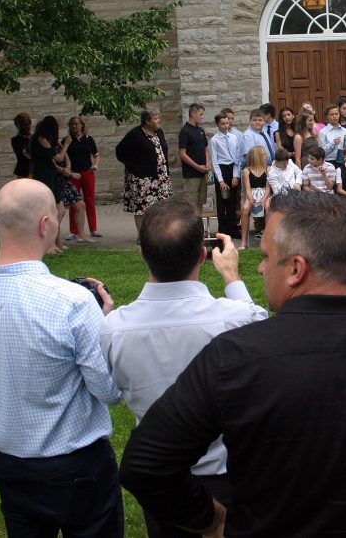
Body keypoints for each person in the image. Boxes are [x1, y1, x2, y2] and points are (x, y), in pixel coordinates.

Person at [118, 190, 346, 537]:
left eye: (266, 256)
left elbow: (147, 464)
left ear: (296, 269)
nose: (261, 269)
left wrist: (208, 518)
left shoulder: (234, 357)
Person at [0, 179, 124, 537]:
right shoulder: (72, 302)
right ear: (45, 224)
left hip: (13, 467)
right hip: (78, 466)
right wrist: (103, 326)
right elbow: (109, 391)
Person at [100, 197, 268, 538]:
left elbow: (112, 392)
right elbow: (261, 336)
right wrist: (232, 278)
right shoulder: (235, 318)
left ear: (142, 254)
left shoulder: (112, 328)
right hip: (225, 476)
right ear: (203, 255)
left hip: (160, 483)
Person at [116, 109, 173, 236]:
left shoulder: (159, 133)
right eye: (156, 118)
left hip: (161, 178)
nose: (159, 121)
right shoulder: (135, 135)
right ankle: (143, 236)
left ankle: (158, 233)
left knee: (161, 208)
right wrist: (134, 166)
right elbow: (120, 152)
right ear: (147, 121)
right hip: (142, 179)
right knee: (142, 209)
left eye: (159, 118)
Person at [30, 115, 71, 252]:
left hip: (49, 174)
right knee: (50, 211)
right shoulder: (42, 140)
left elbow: (26, 153)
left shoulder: (38, 140)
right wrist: (66, 145)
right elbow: (59, 157)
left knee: (60, 210)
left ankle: (55, 241)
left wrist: (44, 159)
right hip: (44, 176)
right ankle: (49, 243)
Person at [63, 116, 101, 239]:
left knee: (89, 200)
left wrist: (95, 165)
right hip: (74, 174)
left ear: (82, 125)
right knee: (75, 202)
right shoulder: (67, 140)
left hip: (87, 173)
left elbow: (96, 155)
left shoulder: (89, 139)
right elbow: (62, 155)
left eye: (76, 124)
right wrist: (68, 170)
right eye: (72, 124)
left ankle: (93, 229)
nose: (74, 126)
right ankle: (74, 231)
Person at [211, 112, 241, 238]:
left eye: (227, 123)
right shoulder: (214, 140)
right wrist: (221, 181)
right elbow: (214, 161)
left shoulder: (233, 138)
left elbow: (237, 158)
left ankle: (233, 229)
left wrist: (235, 175)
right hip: (221, 171)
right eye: (222, 124)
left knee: (232, 201)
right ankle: (223, 230)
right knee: (222, 201)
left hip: (232, 169)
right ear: (217, 124)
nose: (225, 126)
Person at [179, 102, 211, 210]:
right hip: (191, 174)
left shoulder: (200, 130)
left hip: (202, 174)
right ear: (193, 114)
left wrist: (207, 164)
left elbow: (205, 149)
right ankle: (191, 227)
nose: (202, 117)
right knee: (190, 204)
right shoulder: (185, 131)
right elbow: (182, 154)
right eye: (201, 114)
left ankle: (199, 226)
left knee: (200, 203)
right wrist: (198, 167)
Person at [239, 146, 270, 250]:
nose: (266, 156)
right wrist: (251, 199)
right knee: (245, 208)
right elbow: (247, 188)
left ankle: (267, 239)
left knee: (268, 207)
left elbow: (268, 188)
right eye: (264, 155)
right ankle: (243, 241)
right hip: (252, 193)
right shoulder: (246, 171)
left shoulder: (267, 169)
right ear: (257, 157)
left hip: (264, 194)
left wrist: (263, 200)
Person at [11, 111, 32, 178]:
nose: (26, 127)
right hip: (24, 171)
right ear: (17, 126)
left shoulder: (35, 137)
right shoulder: (15, 140)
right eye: (23, 125)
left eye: (27, 124)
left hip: (36, 169)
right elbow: (22, 154)